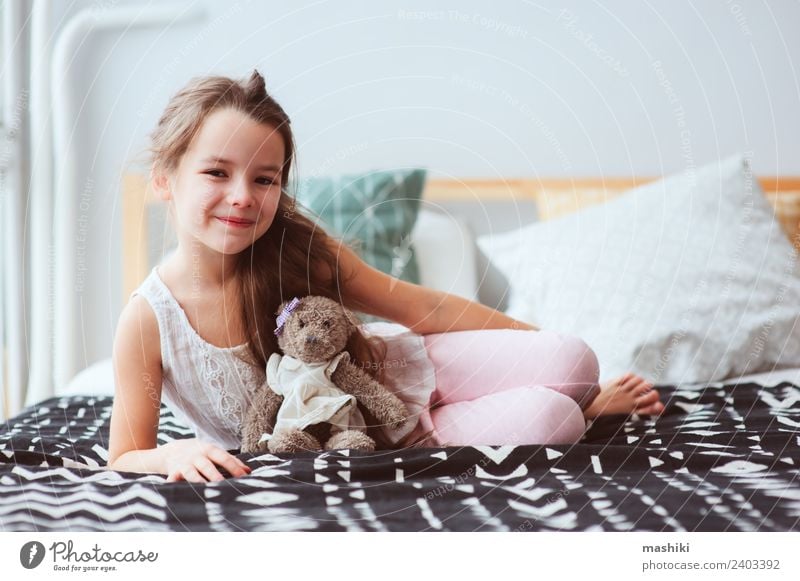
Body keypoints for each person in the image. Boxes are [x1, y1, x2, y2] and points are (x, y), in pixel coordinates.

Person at [107, 70, 664, 483]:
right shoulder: (147, 321)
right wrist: (172, 454)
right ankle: (578, 408)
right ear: (164, 180)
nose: (242, 197)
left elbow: (430, 310)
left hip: (407, 372)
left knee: (575, 359)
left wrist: (535, 345)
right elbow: (125, 455)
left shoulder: (300, 251)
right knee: (556, 416)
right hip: (380, 437)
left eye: (265, 179)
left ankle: (573, 390)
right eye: (216, 173)